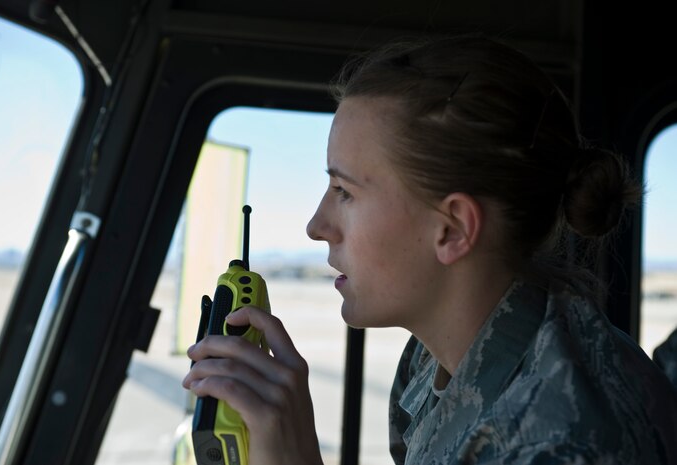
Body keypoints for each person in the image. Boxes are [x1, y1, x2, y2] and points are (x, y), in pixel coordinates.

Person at [183, 35, 677, 464]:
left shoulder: (567, 442)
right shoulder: (431, 357)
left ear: (454, 229)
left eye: (345, 192)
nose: (317, 226)